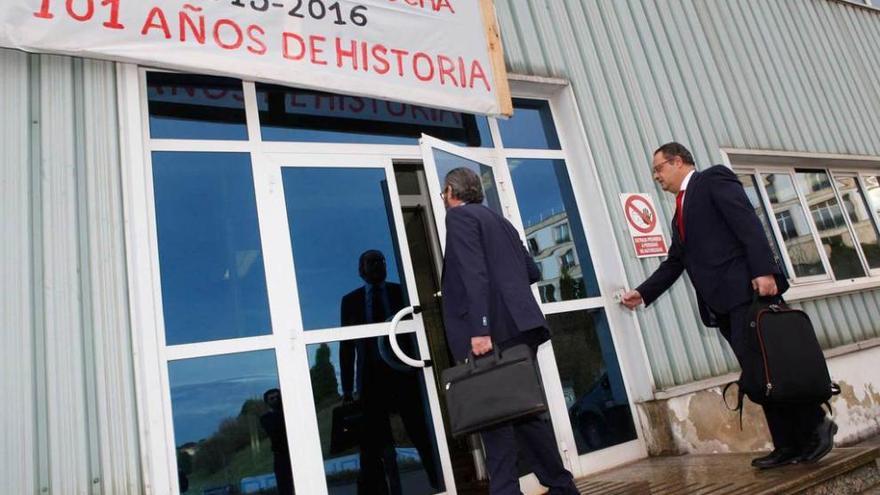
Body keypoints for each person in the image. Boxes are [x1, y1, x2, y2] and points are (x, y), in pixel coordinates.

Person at [620, 142, 836, 469]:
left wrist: (764, 270)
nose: (656, 177)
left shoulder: (712, 180)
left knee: (775, 366)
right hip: (722, 304)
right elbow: (675, 262)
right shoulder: (680, 210)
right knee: (759, 374)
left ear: (678, 162)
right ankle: (787, 445)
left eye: (659, 169)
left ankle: (817, 423)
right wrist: (643, 292)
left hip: (747, 293)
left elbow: (746, 221)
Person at [440, 167, 578, 495]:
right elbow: (530, 270)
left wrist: (481, 329)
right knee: (526, 413)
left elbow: (474, 274)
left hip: (494, 333)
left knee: (495, 419)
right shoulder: (499, 221)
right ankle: (562, 487)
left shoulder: (458, 218)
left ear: (451, 192)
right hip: (520, 328)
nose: (443, 199)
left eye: (443, 193)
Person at [339, 250, 440, 494]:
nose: (377, 266)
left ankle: (438, 482)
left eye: (381, 261)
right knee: (376, 445)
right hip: (370, 381)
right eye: (371, 262)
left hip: (404, 375)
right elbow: (346, 346)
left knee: (420, 433)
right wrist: (347, 388)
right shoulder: (350, 301)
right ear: (361, 270)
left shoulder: (400, 292)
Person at [260, 388, 294, 495]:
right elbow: (275, 430)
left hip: (293, 452)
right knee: (285, 488)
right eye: (272, 398)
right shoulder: (266, 418)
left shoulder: (289, 413)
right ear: (267, 402)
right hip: (281, 456)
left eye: (277, 397)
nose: (276, 400)